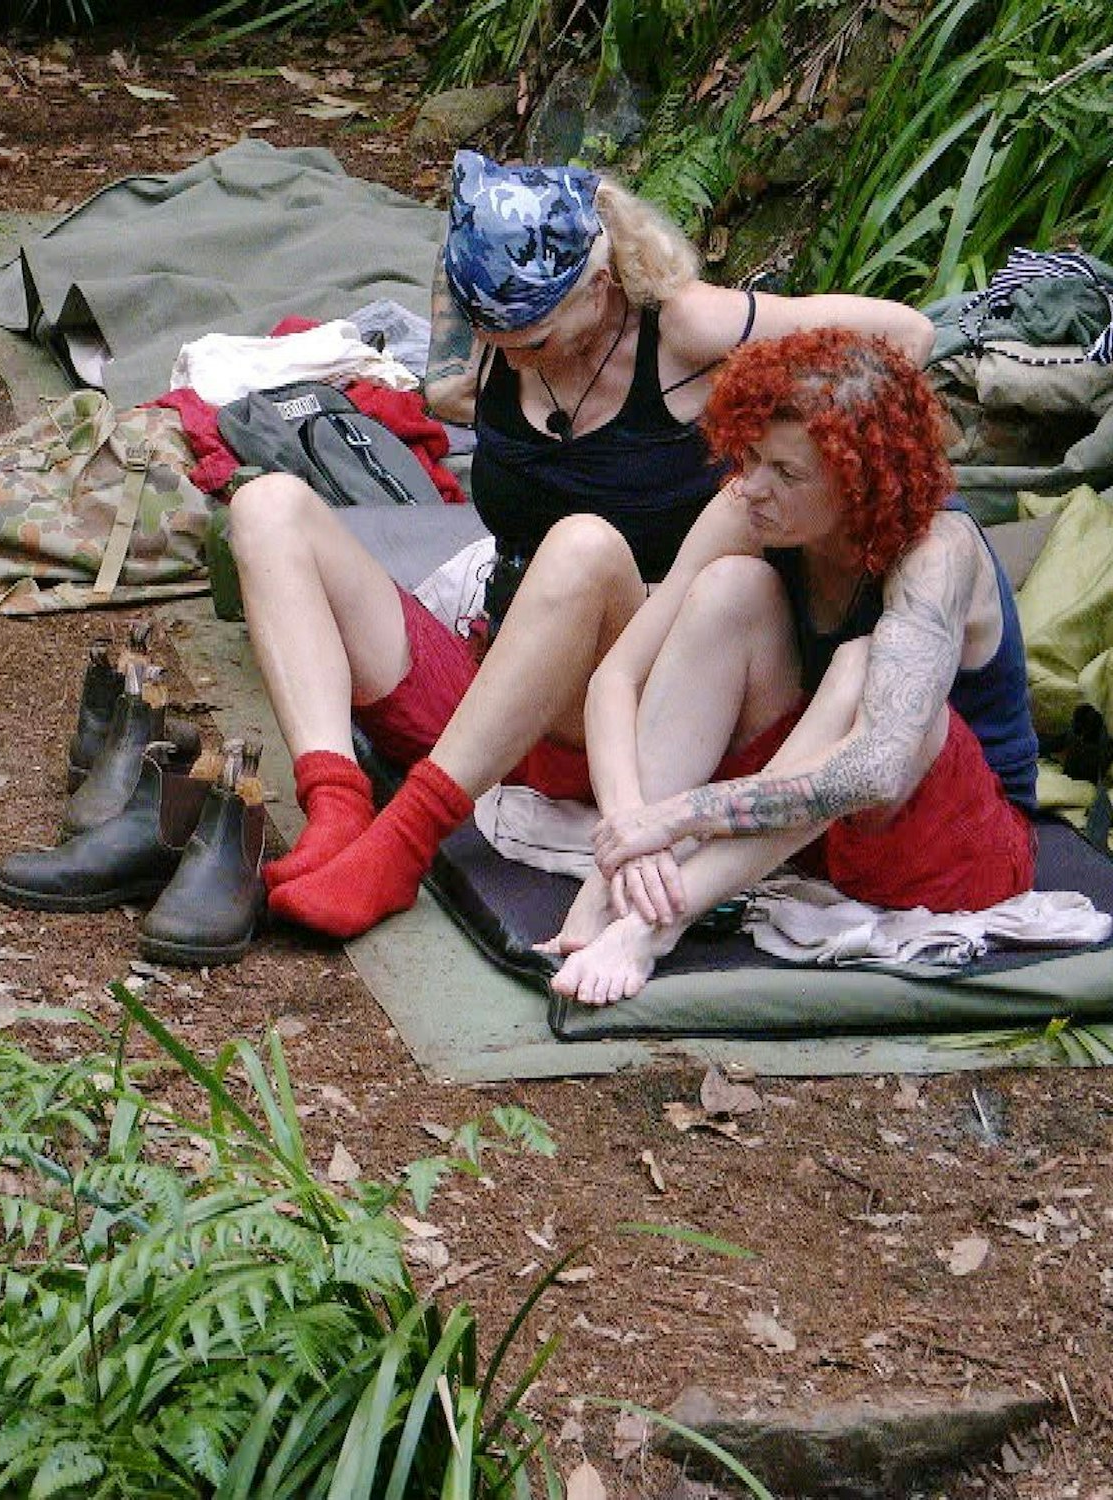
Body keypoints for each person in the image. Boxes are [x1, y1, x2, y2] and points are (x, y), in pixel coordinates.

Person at [235, 150, 936, 940]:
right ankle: (337, 807)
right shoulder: (489, 350)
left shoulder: (686, 329)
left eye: (533, 338)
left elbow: (906, 336)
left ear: (598, 289)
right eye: (491, 334)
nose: (510, 354)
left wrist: (781, 441)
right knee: (268, 506)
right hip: (494, 691)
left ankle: (404, 842)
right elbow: (460, 350)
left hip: (637, 697)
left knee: (582, 544)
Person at [548, 328, 1039, 1004]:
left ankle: (657, 921)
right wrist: (628, 836)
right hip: (805, 828)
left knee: (861, 666)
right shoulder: (748, 505)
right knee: (726, 590)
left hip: (948, 848)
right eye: (749, 458)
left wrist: (682, 816)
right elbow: (618, 676)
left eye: (786, 473)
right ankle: (604, 903)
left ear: (861, 482)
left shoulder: (936, 553)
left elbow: (877, 769)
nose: (752, 488)